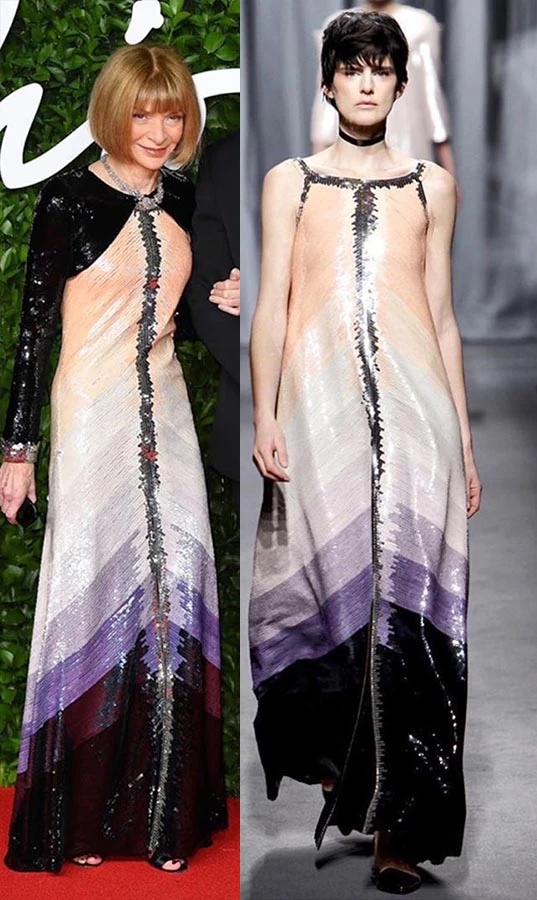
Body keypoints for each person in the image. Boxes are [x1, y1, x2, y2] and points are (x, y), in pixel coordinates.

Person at [249, 11, 481, 895]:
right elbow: (273, 305)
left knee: (412, 613)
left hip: (418, 417)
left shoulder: (430, 188)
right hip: (319, 417)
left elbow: (444, 318)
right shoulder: (289, 183)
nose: (367, 82)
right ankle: (342, 763)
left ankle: (399, 829)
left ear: (399, 84)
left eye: (381, 68)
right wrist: (266, 413)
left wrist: (462, 443)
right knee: (325, 594)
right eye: (352, 68)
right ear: (328, 82)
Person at [0, 44, 227, 873]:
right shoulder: (68, 198)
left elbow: (190, 320)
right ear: (113, 113)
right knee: (92, 593)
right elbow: (33, 334)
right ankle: (85, 820)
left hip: (167, 414)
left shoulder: (189, 200)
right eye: (142, 113)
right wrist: (17, 451)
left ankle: (163, 815)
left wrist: (227, 298)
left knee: (173, 591)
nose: (159, 131)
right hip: (91, 414)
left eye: (173, 115)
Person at [311, 1, 456, 180]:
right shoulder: (339, 26)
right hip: (348, 147)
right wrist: (314, 169)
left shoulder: (420, 24)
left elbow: (431, 95)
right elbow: (324, 104)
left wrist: (449, 172)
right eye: (351, 72)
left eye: (381, 72)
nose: (367, 85)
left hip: (410, 139)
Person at [188, 130, 240, 510]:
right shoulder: (223, 159)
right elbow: (208, 292)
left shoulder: (376, 152)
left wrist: (265, 293)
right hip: (252, 416)